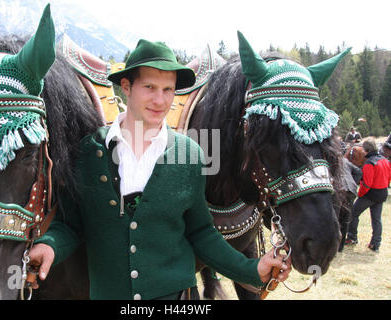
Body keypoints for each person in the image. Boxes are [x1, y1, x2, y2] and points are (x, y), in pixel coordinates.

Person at [27, 39, 291, 300]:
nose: (160, 100)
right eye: (150, 87)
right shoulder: (87, 152)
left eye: (168, 90)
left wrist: (252, 269)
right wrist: (50, 246)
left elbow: (201, 233)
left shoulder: (189, 155)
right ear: (127, 87)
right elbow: (70, 225)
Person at [346, 138, 391, 252]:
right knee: (376, 219)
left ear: (366, 150)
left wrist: (360, 195)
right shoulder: (385, 160)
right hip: (382, 192)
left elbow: (366, 184)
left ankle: (352, 238)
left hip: (370, 194)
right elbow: (389, 177)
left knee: (353, 213)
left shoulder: (369, 163)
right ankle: (375, 244)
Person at [337, 157, 362, 252]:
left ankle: (335, 246)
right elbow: (359, 172)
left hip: (339, 189)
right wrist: (354, 182)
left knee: (336, 218)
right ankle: (340, 247)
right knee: (345, 219)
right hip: (351, 189)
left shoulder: (330, 159)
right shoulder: (346, 161)